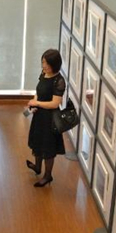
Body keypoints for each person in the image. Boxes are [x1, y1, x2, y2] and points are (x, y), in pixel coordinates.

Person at [25, 49, 66, 187]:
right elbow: (39, 92)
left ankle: (48, 175)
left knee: (48, 147)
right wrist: (33, 102)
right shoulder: (44, 74)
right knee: (38, 141)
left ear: (55, 64)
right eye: (43, 62)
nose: (44, 66)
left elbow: (55, 103)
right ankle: (37, 167)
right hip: (39, 115)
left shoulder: (59, 81)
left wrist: (37, 103)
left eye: (47, 64)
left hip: (50, 118)